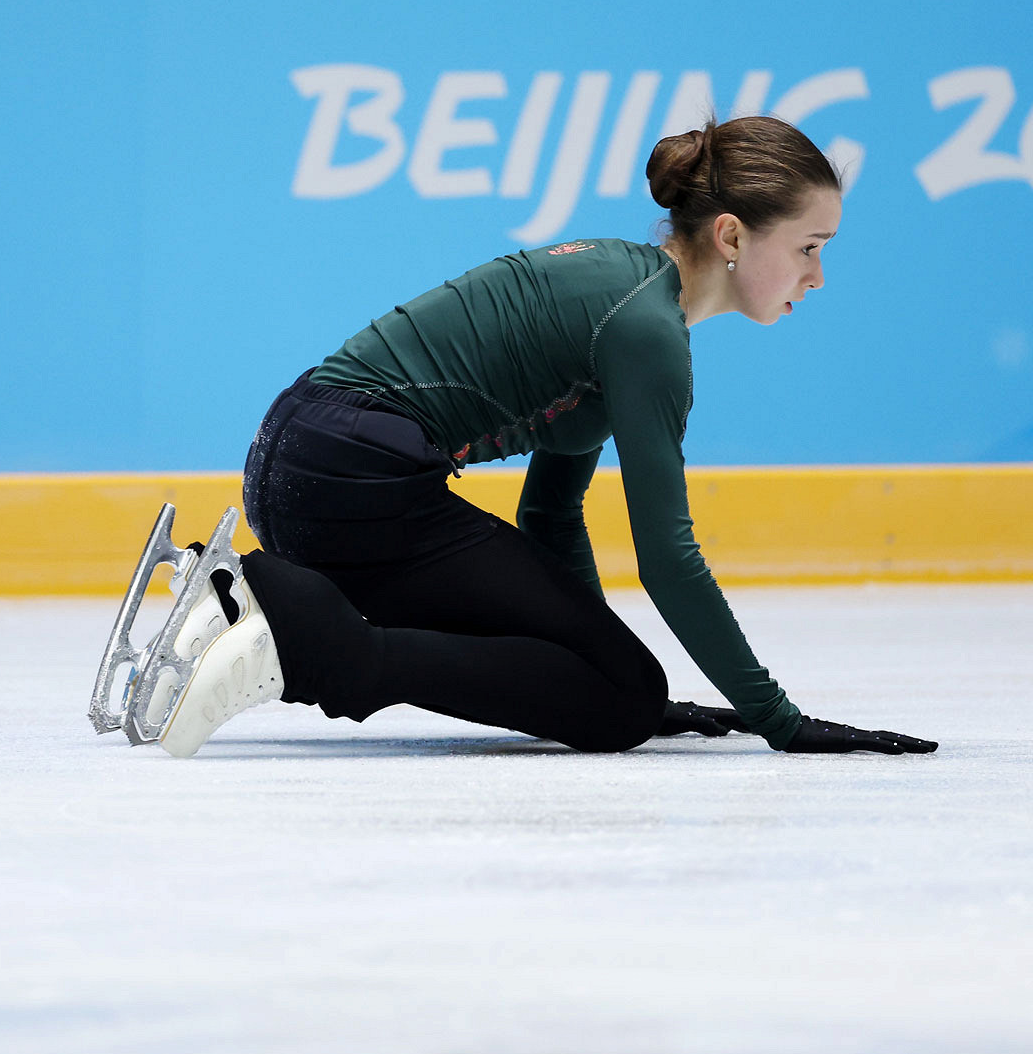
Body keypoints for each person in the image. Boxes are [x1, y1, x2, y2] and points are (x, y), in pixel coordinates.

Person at [152, 115, 938, 760]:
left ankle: (237, 603)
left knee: (619, 687)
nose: (818, 277)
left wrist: (595, 649)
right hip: (354, 479)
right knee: (624, 700)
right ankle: (299, 647)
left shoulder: (626, 292)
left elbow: (554, 514)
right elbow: (668, 559)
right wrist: (779, 719)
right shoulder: (646, 330)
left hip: (309, 465)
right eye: (810, 248)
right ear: (732, 236)